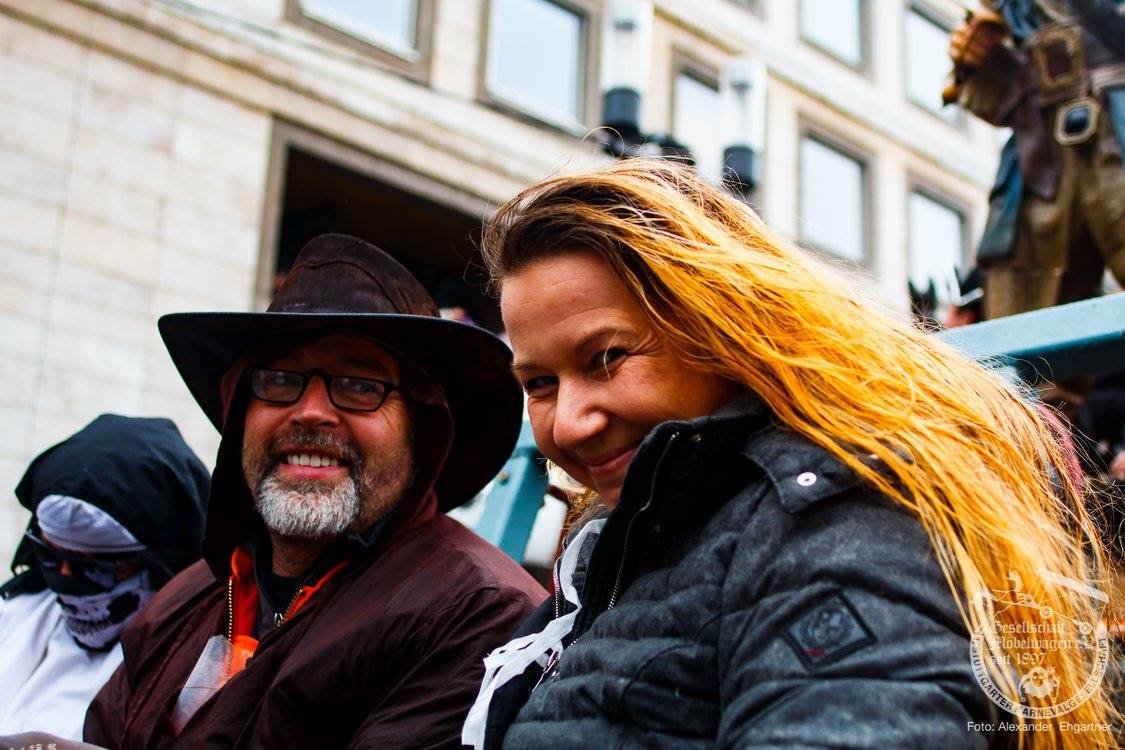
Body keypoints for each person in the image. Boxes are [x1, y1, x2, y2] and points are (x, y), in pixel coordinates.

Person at [462, 161, 1119, 749]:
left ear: (720, 326)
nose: (569, 423)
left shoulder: (834, 518)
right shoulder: (634, 535)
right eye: (539, 384)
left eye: (606, 357)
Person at [83, 234, 545, 748]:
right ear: (240, 413)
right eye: (280, 381)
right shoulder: (184, 600)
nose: (310, 412)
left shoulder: (475, 614)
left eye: (360, 386)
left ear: (421, 432)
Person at [0, 414, 208, 741]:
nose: (65, 576)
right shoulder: (16, 612)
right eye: (50, 556)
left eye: (93, 567)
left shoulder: (185, 673)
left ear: (159, 564)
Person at [946, 0, 1125, 320]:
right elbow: (993, 99)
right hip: (1038, 148)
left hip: (1114, 126)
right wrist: (979, 60)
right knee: (1016, 307)